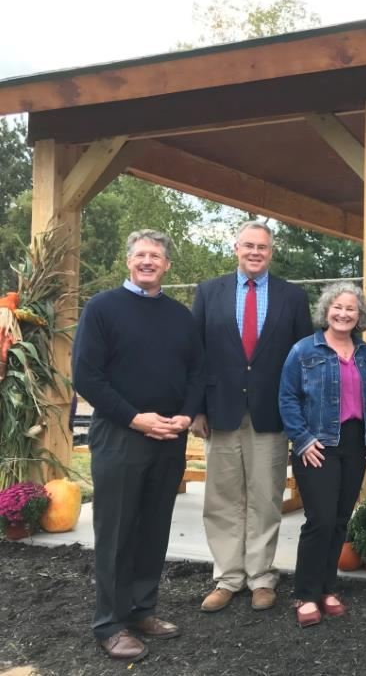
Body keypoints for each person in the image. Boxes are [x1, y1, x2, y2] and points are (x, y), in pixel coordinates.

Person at [72, 230, 204, 661]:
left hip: (169, 435)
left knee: (153, 526)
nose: (148, 261)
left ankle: (142, 609)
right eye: (141, 255)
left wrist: (185, 415)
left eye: (157, 256)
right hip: (120, 434)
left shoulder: (180, 316)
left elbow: (196, 373)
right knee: (117, 530)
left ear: (167, 266)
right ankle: (110, 623)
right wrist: (135, 418)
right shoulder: (102, 309)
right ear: (128, 262)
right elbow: (88, 377)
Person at [191, 221, 312, 613]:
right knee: (222, 498)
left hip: (271, 413)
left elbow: (303, 361)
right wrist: (195, 408)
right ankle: (228, 577)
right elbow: (195, 355)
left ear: (271, 252)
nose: (255, 252)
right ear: (236, 248)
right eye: (249, 246)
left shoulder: (292, 297)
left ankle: (261, 577)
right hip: (220, 411)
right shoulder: (209, 293)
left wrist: (300, 416)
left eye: (262, 247)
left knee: (265, 497)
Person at [278, 282, 366, 628]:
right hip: (317, 444)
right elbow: (287, 398)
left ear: (359, 315)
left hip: (355, 444)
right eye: (338, 307)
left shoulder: (365, 353)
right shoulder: (304, 351)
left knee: (339, 520)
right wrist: (303, 439)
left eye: (351, 308)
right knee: (319, 520)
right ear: (326, 310)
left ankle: (327, 588)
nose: (343, 313)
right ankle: (306, 594)